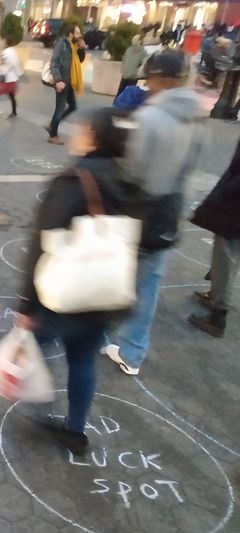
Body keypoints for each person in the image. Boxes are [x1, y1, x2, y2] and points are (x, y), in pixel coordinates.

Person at [16, 107, 144, 454]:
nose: (75, 134)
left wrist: (26, 303)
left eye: (81, 129)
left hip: (64, 293)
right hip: (107, 291)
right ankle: (76, 431)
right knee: (83, 359)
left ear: (94, 137)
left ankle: (41, 412)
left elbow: (43, 244)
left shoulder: (74, 180)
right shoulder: (129, 177)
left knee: (32, 350)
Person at [103, 50, 202, 375]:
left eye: (150, 79)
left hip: (139, 211)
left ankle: (101, 336)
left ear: (159, 80)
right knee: (148, 285)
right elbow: (190, 169)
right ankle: (132, 352)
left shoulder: (149, 118)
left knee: (116, 276)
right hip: (170, 212)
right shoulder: (195, 118)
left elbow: (131, 171)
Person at [187, 137, 240, 338]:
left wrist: (225, 194)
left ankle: (218, 314)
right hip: (233, 199)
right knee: (228, 253)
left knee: (226, 254)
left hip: (234, 204)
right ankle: (216, 295)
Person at [47, 24, 86, 145]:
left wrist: (82, 49)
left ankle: (52, 125)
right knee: (59, 109)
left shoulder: (74, 46)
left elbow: (80, 60)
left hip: (70, 82)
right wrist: (58, 80)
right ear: (70, 34)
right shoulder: (62, 44)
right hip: (62, 82)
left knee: (73, 106)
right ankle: (53, 135)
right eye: (77, 33)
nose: (79, 36)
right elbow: (54, 62)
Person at [116, 34, 146, 99]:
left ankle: (125, 107)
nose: (133, 41)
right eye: (133, 39)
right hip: (125, 74)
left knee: (129, 93)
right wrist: (123, 70)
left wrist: (137, 73)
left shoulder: (143, 52)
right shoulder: (129, 50)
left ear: (140, 41)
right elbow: (124, 60)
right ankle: (116, 104)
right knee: (120, 92)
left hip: (133, 76)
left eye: (136, 39)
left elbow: (142, 64)